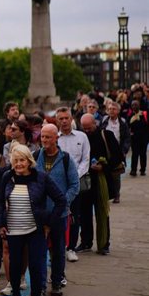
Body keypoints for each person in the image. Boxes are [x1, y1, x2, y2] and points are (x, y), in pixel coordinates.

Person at [0, 145, 67, 296]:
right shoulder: (7, 176)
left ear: (29, 161)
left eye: (22, 160)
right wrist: (0, 224)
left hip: (35, 229)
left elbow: (61, 200)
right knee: (15, 266)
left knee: (36, 268)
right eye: (15, 160)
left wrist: (49, 222)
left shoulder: (41, 177)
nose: (19, 164)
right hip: (13, 230)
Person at [35, 124, 79, 296]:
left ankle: (57, 281)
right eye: (42, 137)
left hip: (59, 214)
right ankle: (40, 286)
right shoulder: (34, 157)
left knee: (58, 250)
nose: (44, 140)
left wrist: (63, 203)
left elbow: (74, 185)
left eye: (48, 137)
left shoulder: (66, 159)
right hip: (39, 213)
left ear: (56, 138)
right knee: (38, 251)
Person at [79, 114, 121, 255]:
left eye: (89, 128)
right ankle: (85, 242)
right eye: (84, 128)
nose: (87, 131)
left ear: (95, 124)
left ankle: (103, 244)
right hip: (85, 180)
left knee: (102, 212)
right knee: (84, 213)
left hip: (102, 180)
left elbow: (118, 157)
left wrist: (103, 167)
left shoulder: (106, 135)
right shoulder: (80, 137)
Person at [55, 106, 90, 262]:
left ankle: (71, 247)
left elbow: (86, 159)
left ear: (71, 119)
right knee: (58, 215)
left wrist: (75, 175)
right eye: (61, 118)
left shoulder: (81, 137)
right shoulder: (55, 138)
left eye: (66, 118)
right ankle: (58, 247)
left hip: (75, 183)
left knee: (74, 216)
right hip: (57, 184)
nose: (64, 121)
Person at [101, 101, 131, 202]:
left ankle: (117, 194)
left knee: (116, 174)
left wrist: (124, 150)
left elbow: (127, 138)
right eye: (109, 109)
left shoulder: (122, 122)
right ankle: (107, 194)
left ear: (118, 111)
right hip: (105, 150)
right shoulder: (104, 121)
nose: (111, 111)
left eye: (113, 109)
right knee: (105, 173)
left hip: (118, 151)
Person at [128, 100, 149, 176]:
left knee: (143, 154)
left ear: (139, 105)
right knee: (135, 154)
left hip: (144, 138)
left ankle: (142, 170)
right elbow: (127, 126)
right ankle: (133, 170)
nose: (134, 106)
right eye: (133, 105)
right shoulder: (130, 116)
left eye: (136, 105)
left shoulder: (144, 114)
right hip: (134, 139)